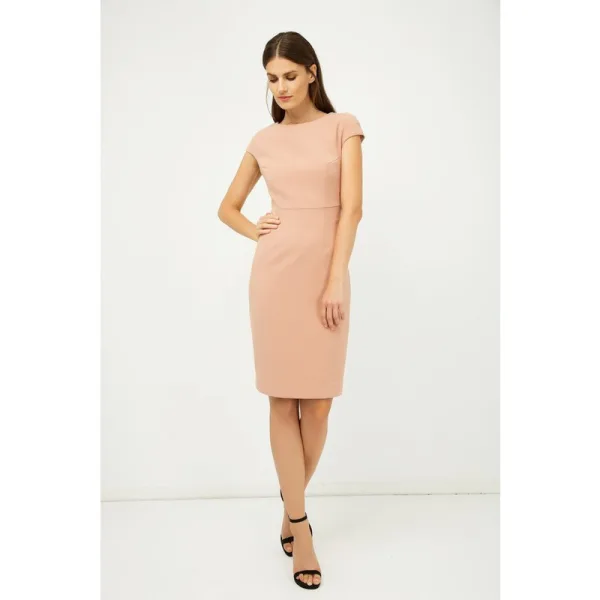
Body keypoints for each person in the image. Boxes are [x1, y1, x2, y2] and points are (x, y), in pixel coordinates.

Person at [217, 31, 365, 590]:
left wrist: (335, 279)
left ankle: (289, 505)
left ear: (311, 73)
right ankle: (300, 526)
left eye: (288, 76)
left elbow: (351, 211)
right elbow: (227, 207)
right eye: (271, 79)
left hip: (326, 278)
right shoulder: (264, 140)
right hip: (275, 279)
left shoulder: (343, 126)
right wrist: (258, 230)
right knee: (283, 401)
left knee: (319, 406)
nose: (280, 87)